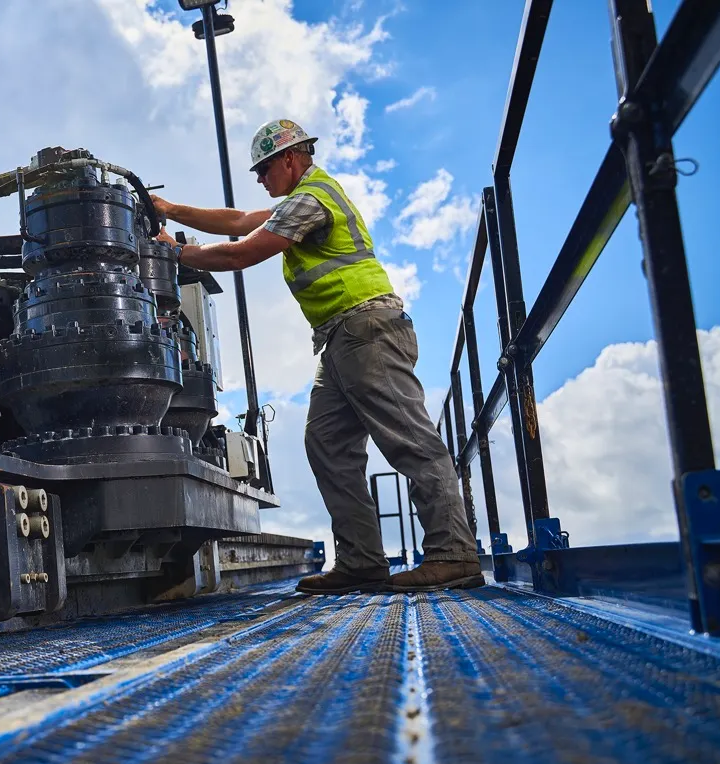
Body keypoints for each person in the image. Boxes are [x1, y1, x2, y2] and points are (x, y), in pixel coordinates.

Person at [153, 118, 481, 594]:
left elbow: (241, 252)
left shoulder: (312, 197)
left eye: (264, 170)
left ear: (290, 159)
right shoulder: (295, 200)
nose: (261, 180)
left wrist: (177, 254)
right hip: (340, 340)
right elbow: (237, 220)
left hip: (367, 328)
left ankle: (453, 555)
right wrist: (170, 209)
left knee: (410, 440)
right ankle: (362, 561)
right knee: (326, 443)